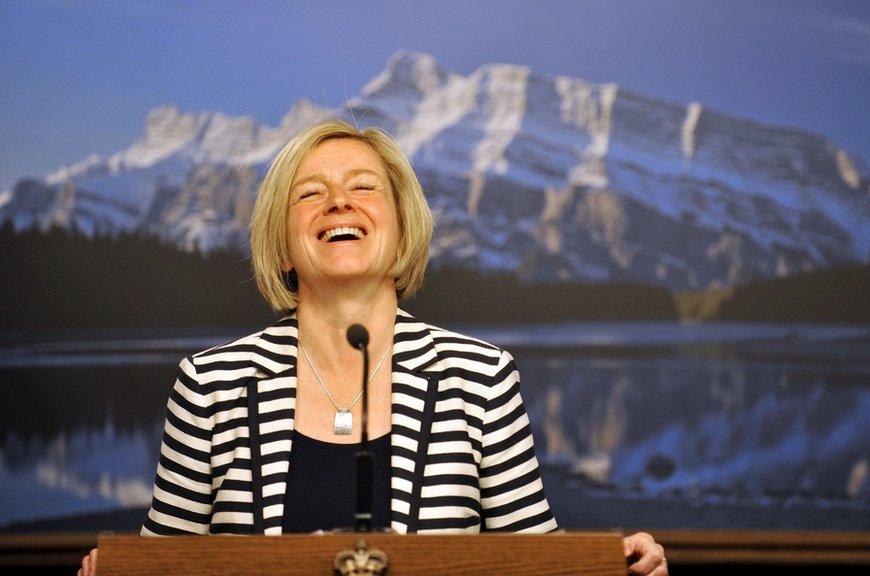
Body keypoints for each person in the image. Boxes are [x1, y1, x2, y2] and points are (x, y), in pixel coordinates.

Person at [79, 119, 668, 575]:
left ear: (403, 231)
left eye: (364, 187)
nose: (340, 202)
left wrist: (618, 563)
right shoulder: (211, 384)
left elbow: (537, 561)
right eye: (310, 194)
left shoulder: (480, 376)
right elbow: (163, 567)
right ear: (281, 245)